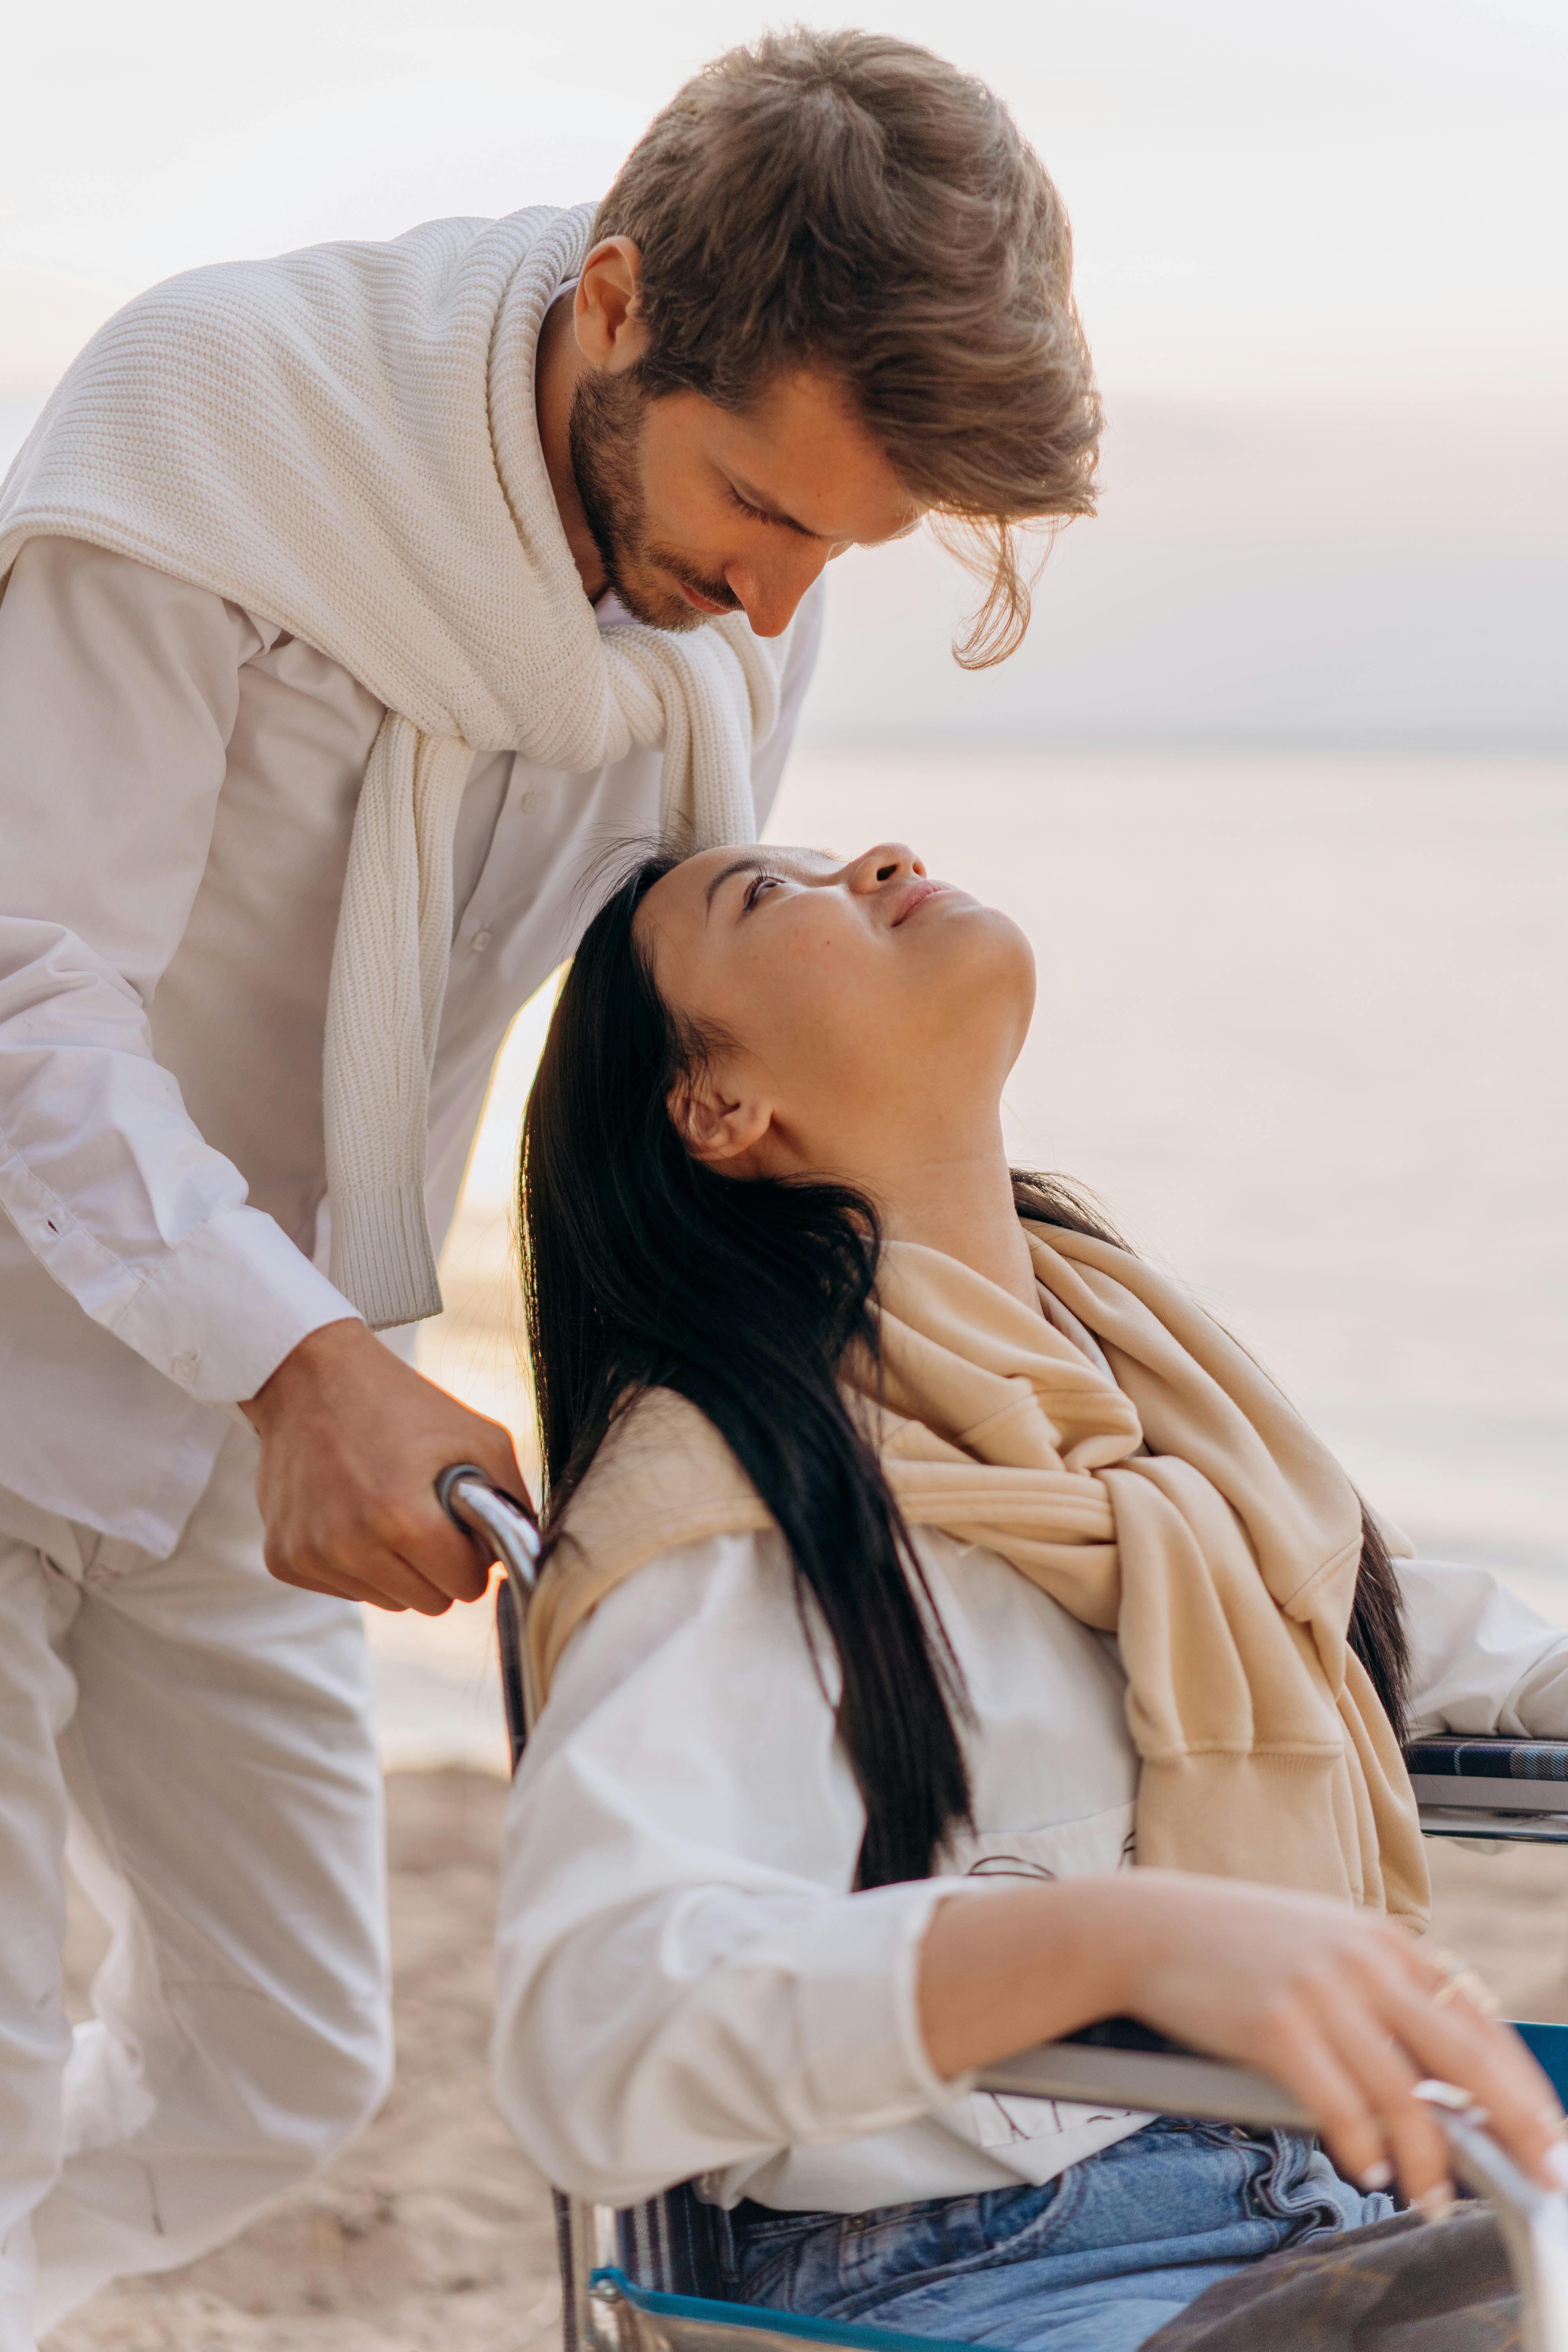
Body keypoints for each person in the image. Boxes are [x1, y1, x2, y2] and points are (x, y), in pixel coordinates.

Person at [0, 33, 1103, 2348]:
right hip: (111, 1340)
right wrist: (303, 1363)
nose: (775, 600)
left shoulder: (731, 604)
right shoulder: (219, 439)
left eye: (840, 549)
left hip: (260, 1403)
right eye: (763, 512)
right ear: (618, 301)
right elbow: (26, 997)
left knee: (287, 2068)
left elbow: (692, 1042)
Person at [492, 836, 1568, 2352]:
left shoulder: (1138, 1387)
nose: (875, 857)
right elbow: (587, 2033)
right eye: (767, 894)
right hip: (983, 2276)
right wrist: (1116, 1940)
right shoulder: (732, 1504)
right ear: (717, 1106)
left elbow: (1380, 1633)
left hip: (1348, 2211)